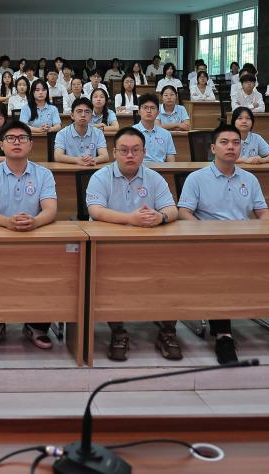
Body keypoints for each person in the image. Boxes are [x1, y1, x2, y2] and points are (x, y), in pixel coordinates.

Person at [178, 124, 269, 365]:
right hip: (211, 245)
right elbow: (184, 212)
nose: (231, 147)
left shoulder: (250, 179)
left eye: (236, 143)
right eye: (224, 142)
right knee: (219, 271)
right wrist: (205, 233)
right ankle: (224, 335)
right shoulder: (196, 178)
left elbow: (263, 212)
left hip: (245, 242)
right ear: (213, 148)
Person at [86, 127, 181, 361]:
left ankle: (168, 330)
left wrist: (161, 217)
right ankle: (118, 330)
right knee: (110, 277)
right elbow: (95, 210)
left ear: (144, 152)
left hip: (149, 246)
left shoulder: (154, 178)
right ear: (114, 152)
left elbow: (172, 209)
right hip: (110, 247)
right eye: (124, 150)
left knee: (174, 268)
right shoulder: (100, 177)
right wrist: (130, 219)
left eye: (136, 150)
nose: (130, 155)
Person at [0, 120, 58, 350]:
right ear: (1, 145)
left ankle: (37, 326)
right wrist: (7, 223)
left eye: (22, 138)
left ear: (31, 144)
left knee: (48, 270)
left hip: (35, 240)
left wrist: (35, 222)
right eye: (10, 138)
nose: (17, 142)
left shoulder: (44, 174)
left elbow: (50, 209)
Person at [53, 97, 109, 167]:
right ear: (72, 115)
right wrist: (77, 160)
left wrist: (93, 160)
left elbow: (105, 156)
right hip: (70, 169)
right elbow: (58, 156)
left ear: (91, 116)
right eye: (79, 111)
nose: (83, 115)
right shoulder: (62, 134)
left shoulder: (98, 133)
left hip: (91, 169)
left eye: (87, 112)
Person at [133, 94, 175, 164]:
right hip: (139, 169)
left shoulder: (166, 134)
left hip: (161, 169)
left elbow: (171, 161)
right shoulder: (131, 132)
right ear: (139, 111)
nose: (149, 111)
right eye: (145, 107)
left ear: (158, 113)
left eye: (152, 108)